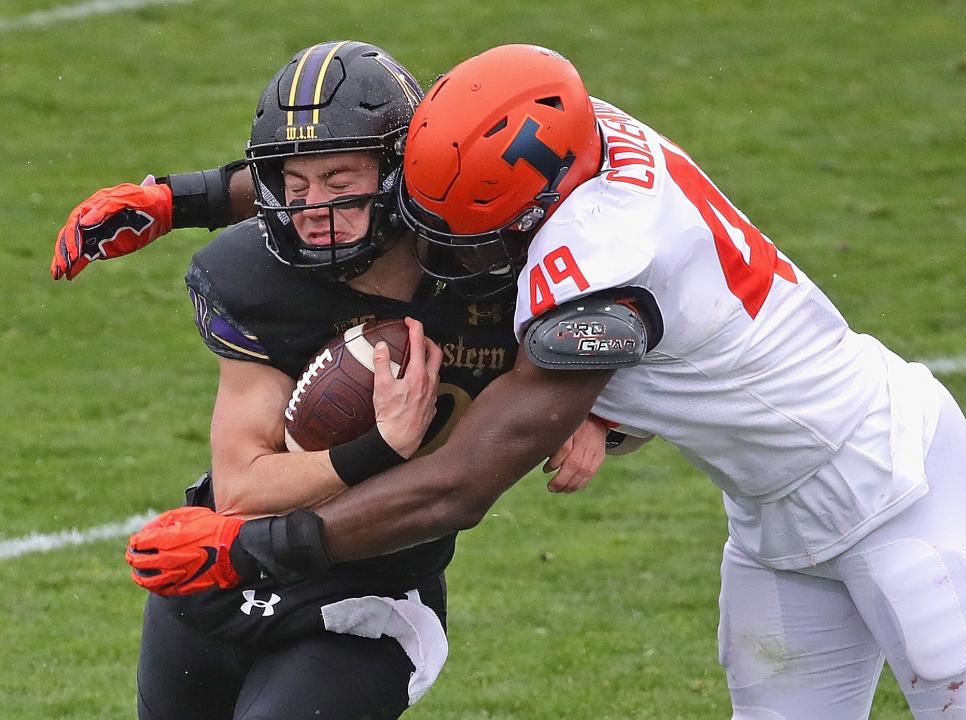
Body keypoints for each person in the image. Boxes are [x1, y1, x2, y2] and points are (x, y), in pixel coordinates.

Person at [123, 44, 966, 718]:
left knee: (964, 690)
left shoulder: (603, 268)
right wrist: (194, 197)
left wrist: (255, 550)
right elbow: (397, 156)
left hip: (888, 478)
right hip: (772, 516)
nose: (434, 246)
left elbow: (462, 483)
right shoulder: (568, 125)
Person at [54, 41, 607, 720]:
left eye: (342, 184)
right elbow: (244, 488)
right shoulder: (256, 280)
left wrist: (594, 409)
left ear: (404, 173)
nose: (312, 209)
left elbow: (615, 331)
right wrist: (378, 446)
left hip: (371, 598)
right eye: (294, 187)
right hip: (219, 571)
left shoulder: (497, 262)